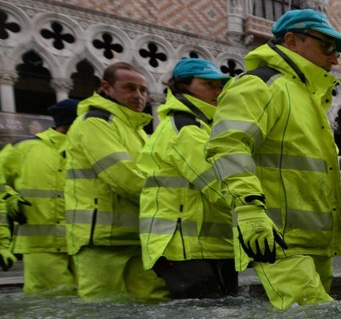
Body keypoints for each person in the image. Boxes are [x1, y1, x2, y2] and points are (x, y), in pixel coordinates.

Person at [205, 9, 341, 310]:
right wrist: (248, 209)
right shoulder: (260, 85)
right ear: (291, 40)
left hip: (315, 240)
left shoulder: (307, 96)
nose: (335, 58)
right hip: (275, 236)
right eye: (327, 46)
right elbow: (228, 145)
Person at [64, 63, 169, 302]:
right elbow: (123, 177)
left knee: (155, 305)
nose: (138, 95)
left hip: (138, 237)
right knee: (104, 315)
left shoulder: (137, 129)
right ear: (106, 87)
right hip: (100, 241)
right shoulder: (95, 122)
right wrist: (168, 203)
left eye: (143, 90)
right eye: (130, 88)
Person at [138, 58, 237, 299]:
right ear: (183, 87)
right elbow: (220, 184)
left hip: (204, 247)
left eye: (220, 85)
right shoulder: (185, 128)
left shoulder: (201, 125)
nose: (217, 91)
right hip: (183, 248)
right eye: (208, 85)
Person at [0, 99, 79, 294]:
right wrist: (10, 197)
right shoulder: (23, 149)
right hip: (41, 248)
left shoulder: (88, 151)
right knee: (49, 307)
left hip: (84, 248)